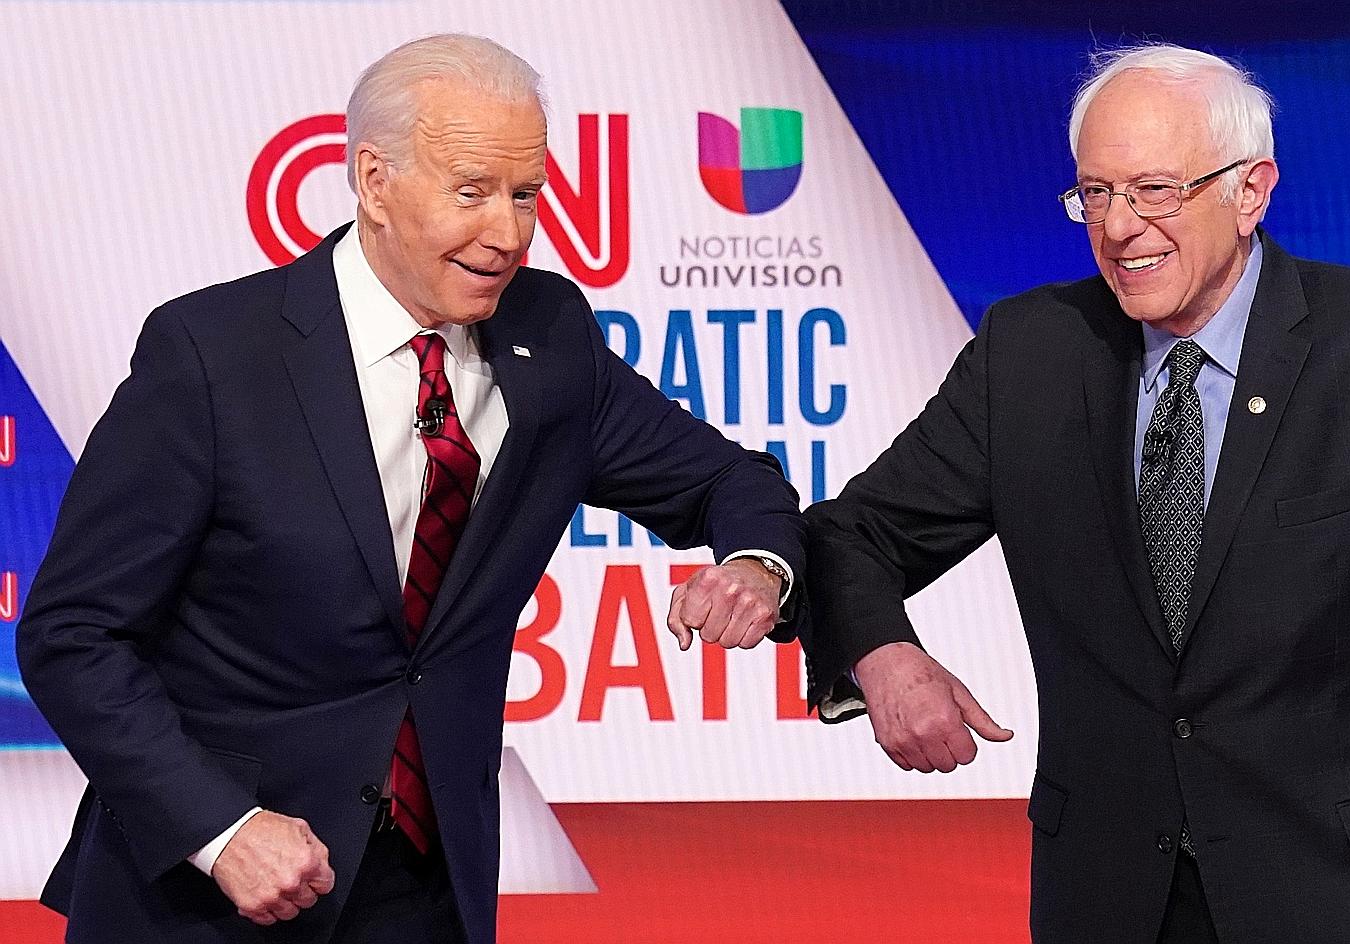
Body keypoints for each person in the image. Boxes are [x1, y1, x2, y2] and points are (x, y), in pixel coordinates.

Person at [17, 33, 804, 944]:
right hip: (212, 896)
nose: (506, 234)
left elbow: (727, 478)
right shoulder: (213, 355)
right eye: (471, 192)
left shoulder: (550, 337)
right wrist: (221, 830)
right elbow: (74, 634)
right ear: (374, 181)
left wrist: (757, 565)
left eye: (525, 194)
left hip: (428, 890)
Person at [805, 43, 1350, 944]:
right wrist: (880, 654)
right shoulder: (1029, 354)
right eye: (1095, 193)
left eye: (1155, 191)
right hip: (1112, 902)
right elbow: (849, 535)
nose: (1119, 228)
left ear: (1251, 191)